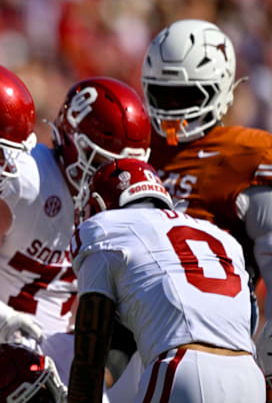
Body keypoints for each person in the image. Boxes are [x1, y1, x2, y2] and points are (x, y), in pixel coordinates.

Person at [0, 72, 151, 402]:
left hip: (49, 353)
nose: (120, 178)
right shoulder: (25, 185)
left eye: (128, 167)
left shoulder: (120, 212)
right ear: (75, 144)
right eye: (107, 164)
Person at [68, 158, 264, 403]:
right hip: (250, 376)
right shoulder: (222, 238)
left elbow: (90, 356)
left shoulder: (106, 230)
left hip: (185, 370)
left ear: (98, 205)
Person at [142, 18, 272, 330]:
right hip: (129, 321)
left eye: (187, 97)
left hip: (210, 325)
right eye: (163, 95)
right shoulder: (135, 146)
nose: (173, 110)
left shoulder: (247, 156)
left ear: (223, 90)